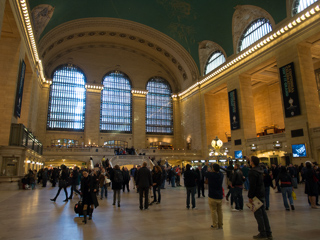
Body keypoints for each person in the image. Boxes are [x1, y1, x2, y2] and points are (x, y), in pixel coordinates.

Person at [248, 156, 273, 239]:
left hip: (256, 196)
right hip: (261, 193)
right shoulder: (260, 170)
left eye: (250, 161)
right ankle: (268, 232)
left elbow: (252, 185)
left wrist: (250, 196)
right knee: (264, 214)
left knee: (258, 215)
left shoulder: (252, 172)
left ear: (252, 162)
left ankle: (262, 233)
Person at [206, 163, 224, 230]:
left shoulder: (210, 175)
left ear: (213, 169)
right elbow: (222, 171)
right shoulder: (221, 175)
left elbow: (204, 172)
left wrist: (207, 165)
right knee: (220, 211)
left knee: (213, 211)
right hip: (219, 195)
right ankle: (220, 225)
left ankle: (215, 225)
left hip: (212, 195)